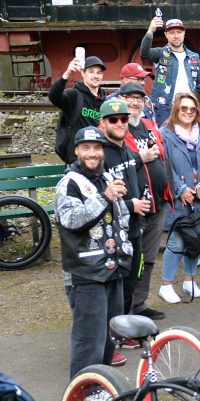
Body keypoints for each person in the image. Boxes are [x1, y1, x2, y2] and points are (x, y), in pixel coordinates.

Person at [54, 126, 132, 379]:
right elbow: (72, 220)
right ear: (77, 150)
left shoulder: (107, 178)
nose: (92, 153)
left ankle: (104, 381)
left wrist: (126, 249)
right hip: (85, 273)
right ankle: (83, 388)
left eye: (97, 148)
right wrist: (103, 197)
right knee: (90, 335)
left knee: (111, 331)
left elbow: (122, 216)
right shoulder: (68, 183)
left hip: (113, 268)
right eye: (86, 148)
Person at [159, 93, 200, 303]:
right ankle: (166, 284)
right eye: (183, 108)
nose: (188, 112)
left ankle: (189, 280)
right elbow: (165, 166)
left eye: (192, 109)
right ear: (176, 110)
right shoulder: (165, 135)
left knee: (198, 239)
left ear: (197, 112)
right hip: (180, 198)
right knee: (177, 243)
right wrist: (180, 189)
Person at [119, 82, 170, 322]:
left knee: (148, 259)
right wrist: (141, 157)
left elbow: (162, 157)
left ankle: (139, 304)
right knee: (131, 260)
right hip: (134, 208)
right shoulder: (116, 127)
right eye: (129, 98)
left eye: (139, 98)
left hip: (158, 204)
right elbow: (114, 162)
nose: (134, 102)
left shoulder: (150, 126)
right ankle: (125, 311)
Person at [98, 99, 150, 326]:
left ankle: (125, 327)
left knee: (132, 278)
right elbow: (98, 200)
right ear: (103, 122)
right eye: (113, 119)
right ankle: (114, 331)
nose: (119, 123)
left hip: (135, 227)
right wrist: (132, 205)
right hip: (114, 231)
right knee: (115, 282)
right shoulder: (99, 154)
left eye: (123, 119)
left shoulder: (127, 149)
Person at [140, 17, 200, 126]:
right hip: (165, 108)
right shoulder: (160, 53)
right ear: (166, 35)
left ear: (184, 33)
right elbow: (144, 53)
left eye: (179, 32)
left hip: (188, 107)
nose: (176, 36)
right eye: (172, 33)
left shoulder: (194, 57)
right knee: (164, 139)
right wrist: (150, 31)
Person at [48, 54, 108, 164]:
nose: (95, 76)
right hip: (77, 160)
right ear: (83, 73)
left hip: (99, 160)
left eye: (99, 72)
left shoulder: (105, 101)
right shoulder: (74, 96)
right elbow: (53, 96)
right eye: (91, 71)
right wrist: (66, 74)